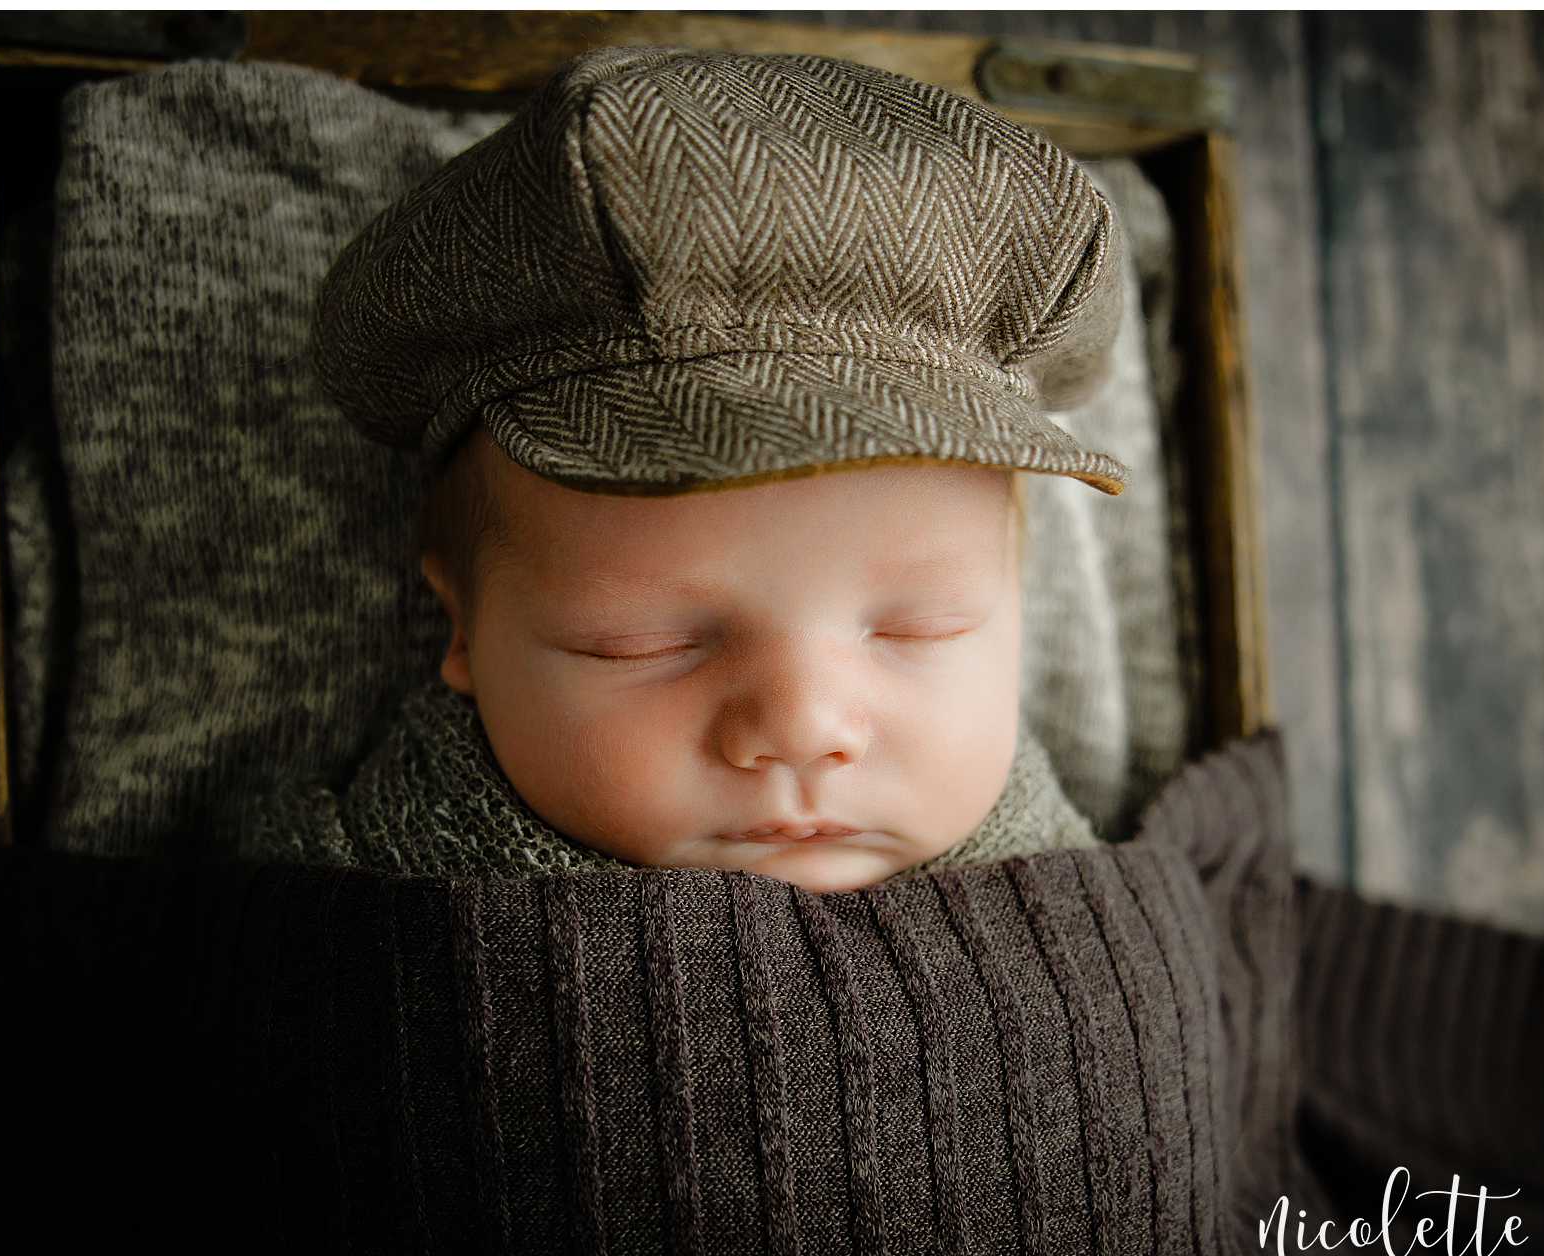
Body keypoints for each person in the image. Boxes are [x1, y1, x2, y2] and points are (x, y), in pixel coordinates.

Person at [243, 44, 1134, 891]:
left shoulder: (1099, 894)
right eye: (642, 641)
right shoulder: (342, 906)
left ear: (1018, 612)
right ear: (464, 630)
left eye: (924, 629)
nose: (802, 729)